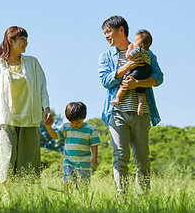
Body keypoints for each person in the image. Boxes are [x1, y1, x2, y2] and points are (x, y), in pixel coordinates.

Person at [0, 26, 51, 198]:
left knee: (29, 161)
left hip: (30, 118)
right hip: (6, 119)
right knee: (8, 158)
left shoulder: (33, 63)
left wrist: (46, 109)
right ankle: (8, 195)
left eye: (26, 39)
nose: (26, 43)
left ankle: (27, 197)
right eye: (22, 40)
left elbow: (43, 88)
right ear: (11, 41)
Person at [98, 16, 163, 195]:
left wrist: (136, 84)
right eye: (104, 33)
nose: (106, 36)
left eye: (108, 31)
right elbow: (105, 80)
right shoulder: (106, 56)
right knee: (120, 156)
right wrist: (128, 66)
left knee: (142, 158)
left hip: (141, 112)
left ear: (121, 30)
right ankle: (122, 198)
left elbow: (159, 78)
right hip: (117, 113)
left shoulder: (146, 52)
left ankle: (142, 198)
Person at [44, 102, 100, 188]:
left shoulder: (91, 130)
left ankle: (82, 200)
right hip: (69, 162)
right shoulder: (66, 127)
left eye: (77, 121)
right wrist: (49, 127)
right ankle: (68, 199)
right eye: (71, 121)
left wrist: (95, 157)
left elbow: (94, 145)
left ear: (84, 117)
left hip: (84, 163)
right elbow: (55, 136)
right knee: (68, 182)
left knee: (83, 186)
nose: (74, 124)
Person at [110, 30, 153, 115]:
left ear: (142, 45)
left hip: (138, 69)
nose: (134, 42)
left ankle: (118, 98)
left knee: (125, 83)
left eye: (136, 41)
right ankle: (140, 103)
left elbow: (128, 56)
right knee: (141, 92)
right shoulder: (148, 52)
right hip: (146, 71)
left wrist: (129, 49)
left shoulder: (138, 49)